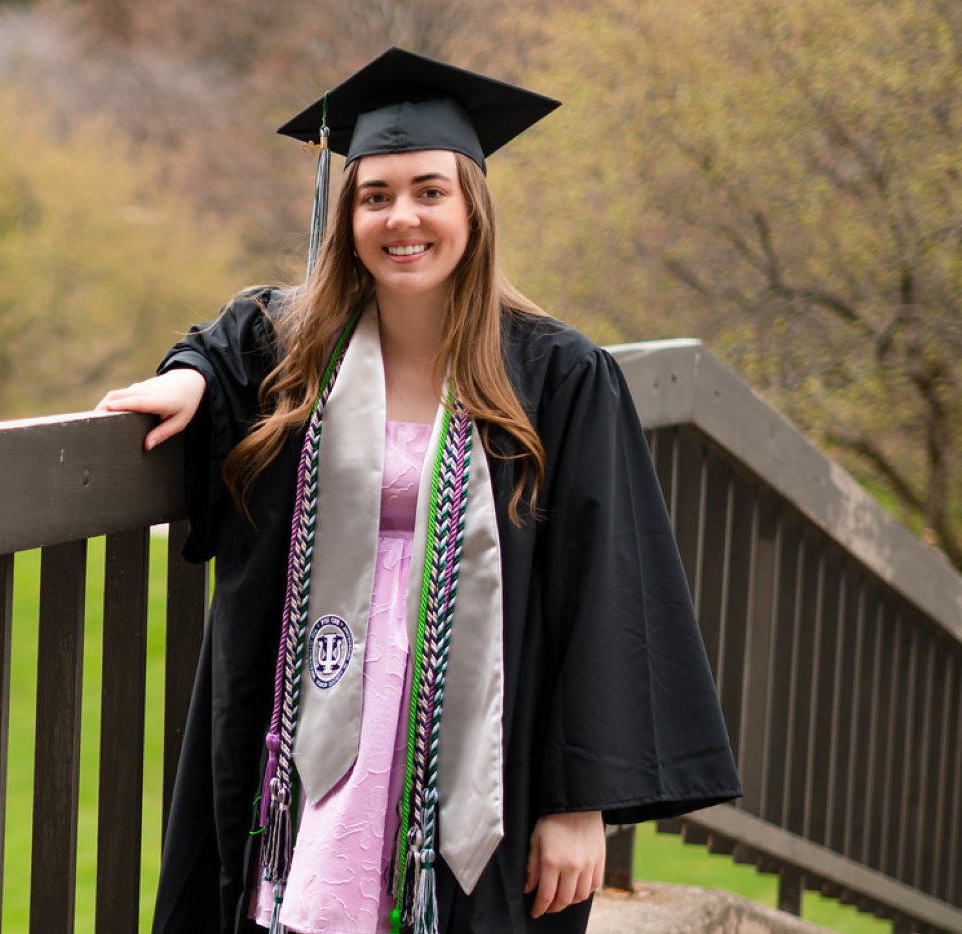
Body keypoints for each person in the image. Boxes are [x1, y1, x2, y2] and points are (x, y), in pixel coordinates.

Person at [99, 48, 741, 934]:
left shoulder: (558, 378)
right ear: (348, 215)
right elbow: (217, 350)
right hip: (316, 736)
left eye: (430, 191)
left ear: (472, 207)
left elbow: (606, 587)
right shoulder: (290, 354)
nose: (402, 217)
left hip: (476, 746)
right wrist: (189, 380)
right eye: (376, 195)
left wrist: (580, 802)